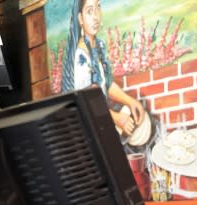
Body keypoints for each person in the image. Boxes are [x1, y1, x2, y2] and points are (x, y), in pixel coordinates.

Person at [60, 0, 147, 137]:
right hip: (87, 125)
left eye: (97, 8)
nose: (96, 16)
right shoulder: (80, 56)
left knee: (142, 121)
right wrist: (116, 118)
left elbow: (107, 83)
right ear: (80, 19)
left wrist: (131, 101)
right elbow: (88, 100)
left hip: (101, 114)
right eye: (89, 11)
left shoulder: (98, 45)